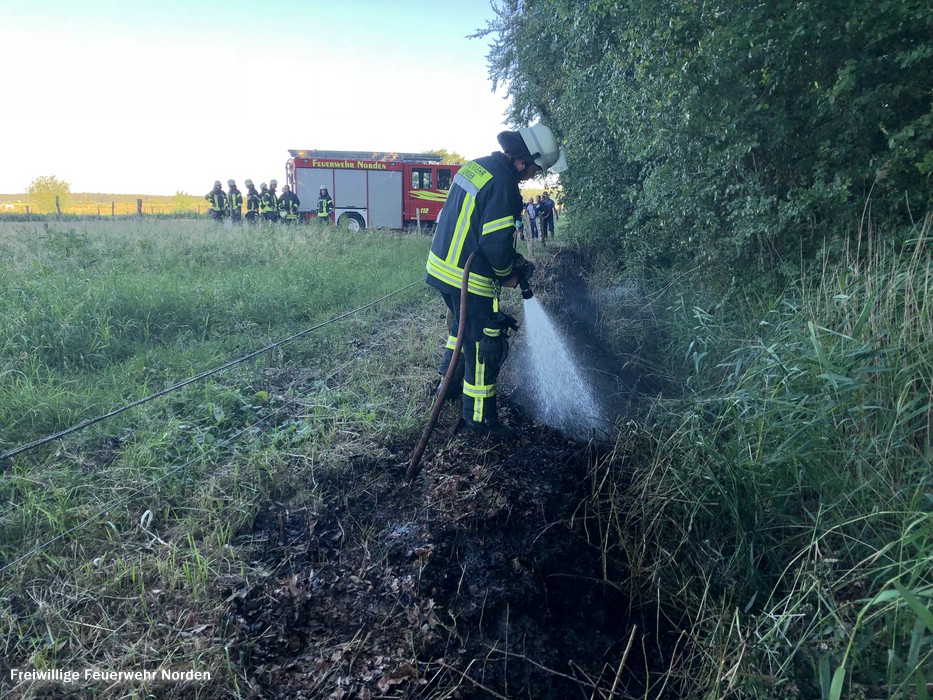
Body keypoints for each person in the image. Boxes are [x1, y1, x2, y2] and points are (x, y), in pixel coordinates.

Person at [425, 123, 564, 438]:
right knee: (484, 344)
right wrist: (509, 275)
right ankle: (481, 420)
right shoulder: (504, 186)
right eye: (532, 169)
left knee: (459, 331)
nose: (531, 176)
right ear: (520, 159)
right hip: (470, 279)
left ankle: (447, 385)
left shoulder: (476, 167)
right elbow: (495, 245)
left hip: (443, 269)